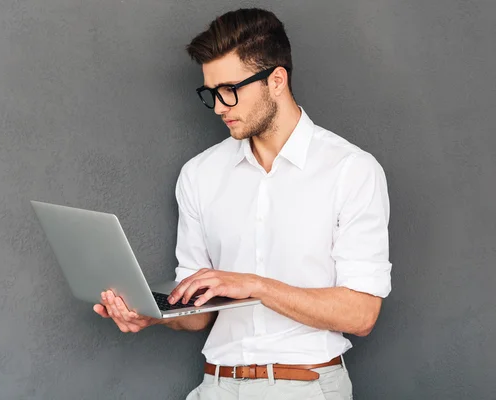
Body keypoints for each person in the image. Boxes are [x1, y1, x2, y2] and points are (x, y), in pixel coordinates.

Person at [93, 7, 391, 399]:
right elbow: (198, 317)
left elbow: (361, 314)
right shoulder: (199, 175)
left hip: (306, 386)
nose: (219, 106)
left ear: (277, 80)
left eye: (230, 90)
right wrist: (152, 314)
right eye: (211, 93)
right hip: (216, 385)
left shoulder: (352, 171)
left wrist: (252, 285)